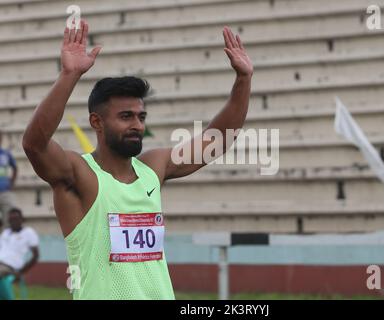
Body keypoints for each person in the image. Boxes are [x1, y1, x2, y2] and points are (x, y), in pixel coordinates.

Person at [22, 19, 253, 300]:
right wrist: (69, 75)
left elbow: (216, 140)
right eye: (125, 117)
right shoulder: (79, 174)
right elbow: (35, 145)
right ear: (97, 122)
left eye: (141, 117)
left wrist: (243, 80)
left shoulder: (153, 168)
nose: (137, 125)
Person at [0, 207, 39, 300]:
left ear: (22, 219)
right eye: (11, 219)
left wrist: (21, 272)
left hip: (10, 267)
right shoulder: (6, 233)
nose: (13, 221)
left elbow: (35, 256)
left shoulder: (28, 233)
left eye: (16, 218)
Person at [0, 130, 18, 227]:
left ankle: (6, 240)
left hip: (5, 192)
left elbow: (15, 168)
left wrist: (12, 182)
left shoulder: (6, 154)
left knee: (8, 220)